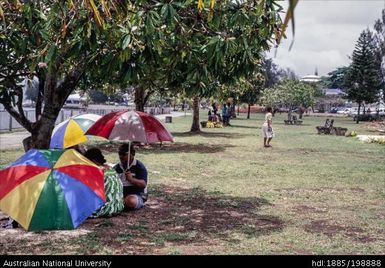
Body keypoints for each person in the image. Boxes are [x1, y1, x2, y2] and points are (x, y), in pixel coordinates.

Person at [84, 147, 124, 217]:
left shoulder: (96, 171)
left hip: (105, 209)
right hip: (117, 206)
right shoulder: (111, 169)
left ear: (93, 160)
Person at [114, 144, 148, 210]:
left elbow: (143, 184)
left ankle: (122, 203)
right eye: (119, 153)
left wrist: (131, 179)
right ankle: (122, 203)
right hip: (121, 195)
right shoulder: (117, 167)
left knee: (131, 201)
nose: (121, 156)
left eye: (124, 154)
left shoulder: (139, 167)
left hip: (137, 195)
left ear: (133, 154)